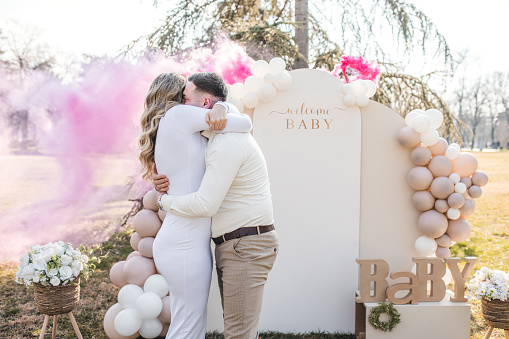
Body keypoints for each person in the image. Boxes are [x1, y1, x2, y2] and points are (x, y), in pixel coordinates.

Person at [154, 76, 279, 339]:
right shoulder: (218, 136)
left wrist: (164, 201)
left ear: (207, 102)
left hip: (245, 245)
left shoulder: (226, 143)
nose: (181, 105)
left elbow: (205, 204)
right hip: (236, 244)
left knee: (238, 334)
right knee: (238, 330)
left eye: (186, 99)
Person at [138, 72, 253, 339]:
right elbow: (245, 123)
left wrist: (220, 106)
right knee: (188, 328)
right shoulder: (179, 115)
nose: (189, 100)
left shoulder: (172, 124)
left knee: (187, 325)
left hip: (181, 239)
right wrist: (222, 107)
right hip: (185, 242)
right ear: (177, 97)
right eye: (186, 95)